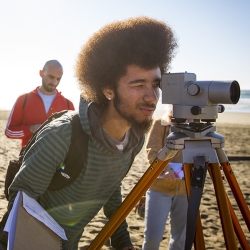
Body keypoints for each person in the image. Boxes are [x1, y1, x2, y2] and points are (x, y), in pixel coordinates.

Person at [0, 17, 178, 250]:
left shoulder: (134, 139)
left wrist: (123, 242)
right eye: (138, 85)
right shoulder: (60, 136)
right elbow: (20, 203)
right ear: (107, 89)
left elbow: (111, 188)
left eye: (155, 85)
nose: (152, 97)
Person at [142, 105, 188, 250]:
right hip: (159, 188)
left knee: (180, 239)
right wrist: (166, 169)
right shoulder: (160, 123)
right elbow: (152, 151)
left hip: (187, 190)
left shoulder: (197, 126)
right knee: (152, 238)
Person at [4, 60, 75, 147]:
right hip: (29, 159)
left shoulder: (68, 104)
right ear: (41, 73)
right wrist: (31, 129)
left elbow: (74, 136)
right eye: (51, 77)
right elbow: (9, 132)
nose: (54, 82)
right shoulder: (23, 100)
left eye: (58, 79)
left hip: (58, 159)